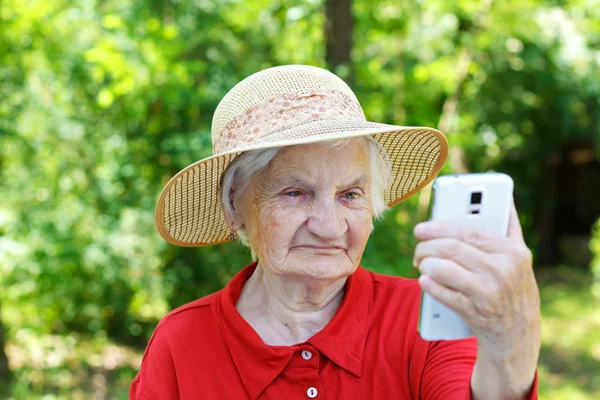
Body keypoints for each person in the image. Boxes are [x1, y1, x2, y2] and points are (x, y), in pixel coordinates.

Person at [130, 65, 541, 399]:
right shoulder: (183, 342)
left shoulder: (422, 317)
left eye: (350, 194)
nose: (329, 227)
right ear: (234, 206)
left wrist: (512, 345)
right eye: (295, 192)